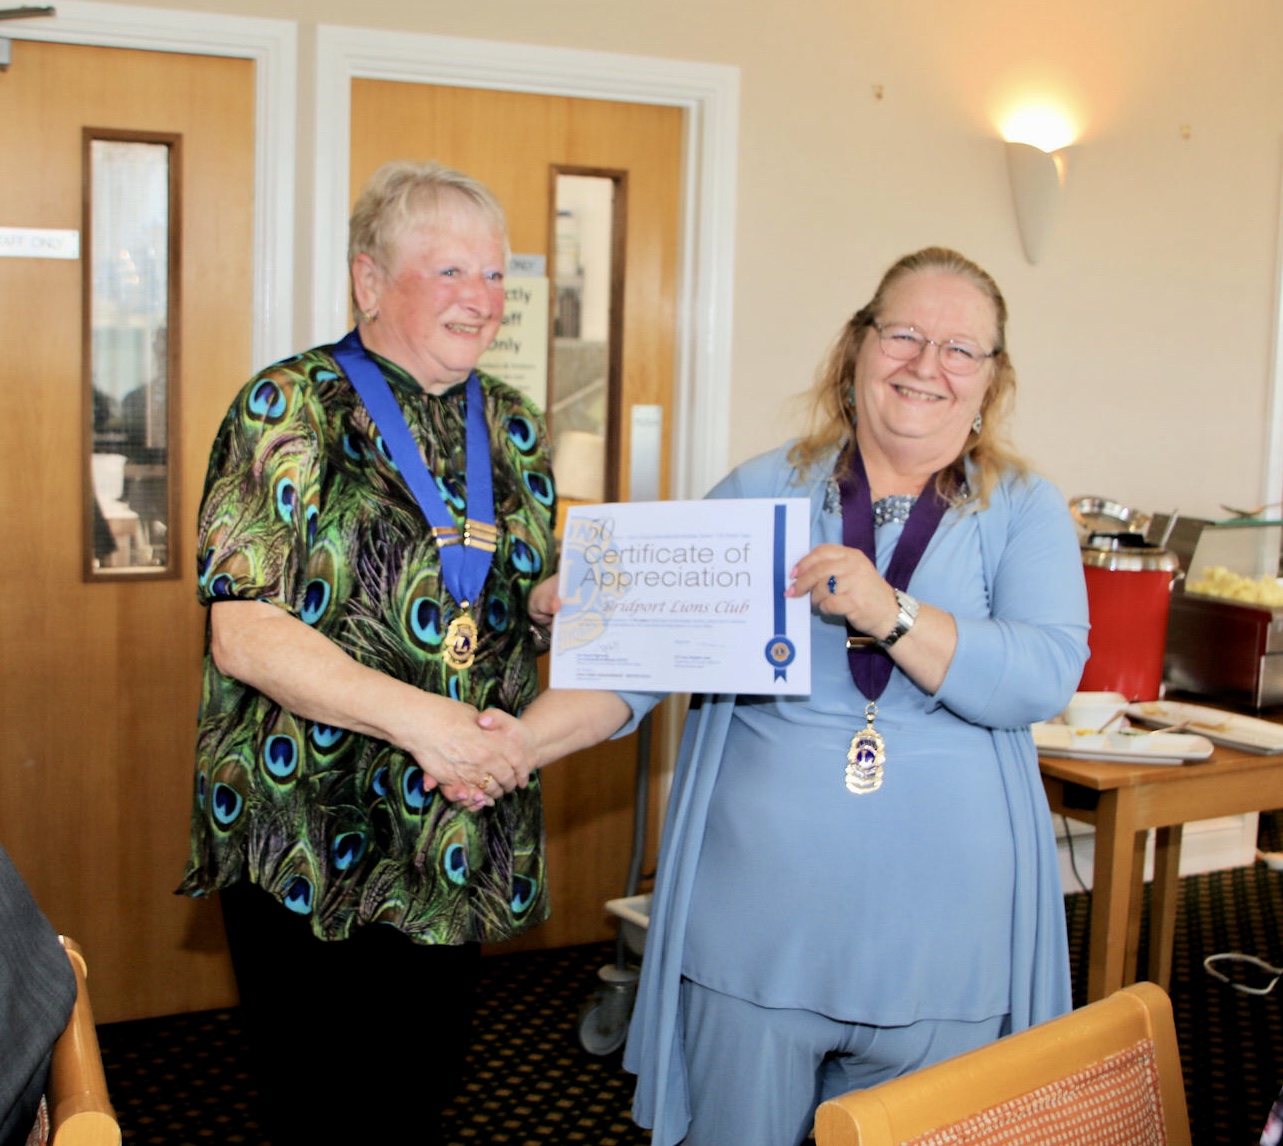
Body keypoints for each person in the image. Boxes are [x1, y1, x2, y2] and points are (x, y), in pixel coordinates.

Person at [517, 247, 1090, 1146]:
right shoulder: (762, 487)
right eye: (902, 334)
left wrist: (889, 609)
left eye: (959, 349)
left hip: (945, 934)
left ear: (991, 378)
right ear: (856, 347)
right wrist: (525, 717)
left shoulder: (1022, 508)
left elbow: (1041, 674)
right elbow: (637, 664)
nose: (925, 365)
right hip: (755, 922)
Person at [179, 160, 556, 1145]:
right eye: (448, 272)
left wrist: (579, 600)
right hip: (315, 810)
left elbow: (518, 593)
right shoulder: (290, 406)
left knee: (421, 1080)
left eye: (493, 274)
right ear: (368, 279)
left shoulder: (513, 424)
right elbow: (245, 631)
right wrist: (427, 724)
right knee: (324, 1098)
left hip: (456, 808)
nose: (480, 300)